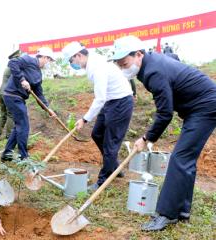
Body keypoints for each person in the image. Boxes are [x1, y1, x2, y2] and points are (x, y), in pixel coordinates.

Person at [110, 35, 216, 231]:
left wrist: (146, 138)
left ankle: (166, 215)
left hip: (205, 107)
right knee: (185, 159)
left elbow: (165, 113)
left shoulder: (153, 71)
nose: (123, 68)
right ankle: (182, 210)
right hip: (198, 108)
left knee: (179, 158)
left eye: (125, 63)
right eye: (119, 65)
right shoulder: (150, 65)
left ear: (139, 54)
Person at [62, 42, 134, 191]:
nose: (72, 64)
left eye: (71, 60)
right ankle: (114, 165)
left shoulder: (98, 67)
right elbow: (103, 98)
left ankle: (103, 181)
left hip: (121, 102)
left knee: (110, 143)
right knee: (97, 134)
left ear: (79, 55)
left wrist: (84, 119)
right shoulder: (92, 63)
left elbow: (99, 98)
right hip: (110, 101)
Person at [0, 47, 56, 162]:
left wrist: (48, 109)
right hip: (12, 95)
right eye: (49, 60)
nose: (49, 63)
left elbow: (39, 94)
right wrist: (22, 80)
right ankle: (24, 157)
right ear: (44, 57)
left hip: (19, 98)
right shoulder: (28, 59)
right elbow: (12, 63)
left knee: (19, 126)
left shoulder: (38, 75)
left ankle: (7, 153)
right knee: (24, 125)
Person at [0, 50, 21, 138]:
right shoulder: (13, 68)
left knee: (3, 114)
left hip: (1, 92)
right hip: (7, 94)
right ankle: (9, 135)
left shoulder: (7, 68)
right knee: (10, 114)